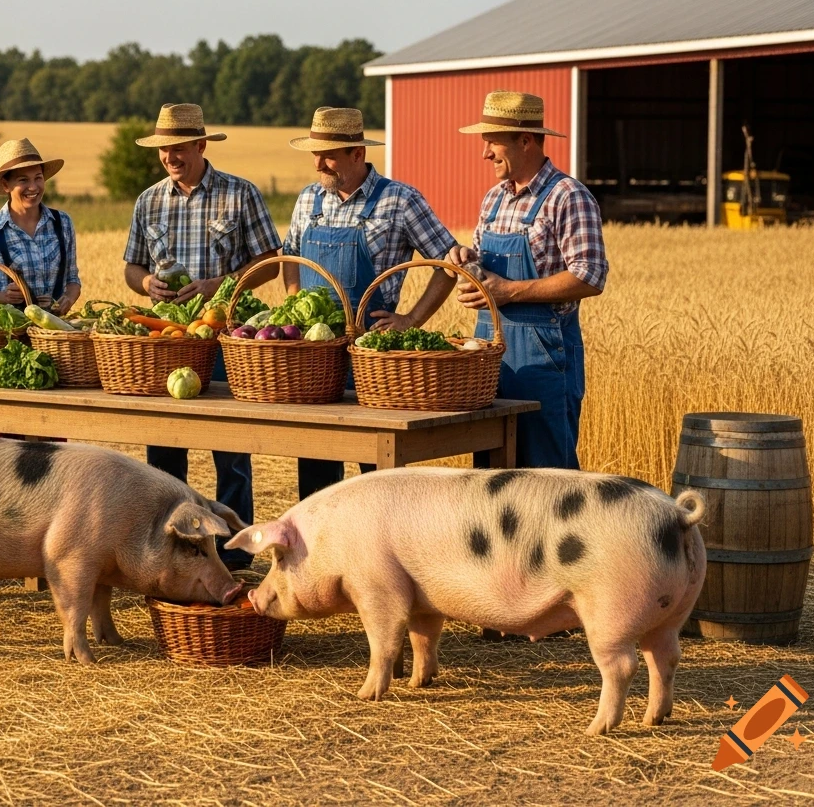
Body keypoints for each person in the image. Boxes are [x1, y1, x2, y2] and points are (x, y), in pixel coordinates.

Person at [123, 103, 281, 569]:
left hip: (225, 340)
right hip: (167, 342)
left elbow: (269, 259)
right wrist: (144, 283)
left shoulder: (239, 194)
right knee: (164, 451)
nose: (170, 156)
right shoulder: (148, 200)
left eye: (178, 147)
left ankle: (235, 556)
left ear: (201, 145)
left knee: (230, 450)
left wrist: (220, 286)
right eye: (163, 149)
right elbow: (132, 266)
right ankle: (173, 552)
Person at [284, 106, 458, 499]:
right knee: (315, 469)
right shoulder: (309, 199)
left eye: (327, 154)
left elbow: (448, 263)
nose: (317, 163)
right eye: (315, 153)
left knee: (377, 473)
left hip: (373, 360)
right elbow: (289, 255)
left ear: (357, 154)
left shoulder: (399, 200)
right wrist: (294, 303)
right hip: (314, 360)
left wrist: (411, 319)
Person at [451, 91, 608, 469]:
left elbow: (590, 275)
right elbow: (483, 268)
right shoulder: (493, 199)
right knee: (491, 475)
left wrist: (509, 291)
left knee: (548, 478)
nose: (485, 153)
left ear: (526, 140)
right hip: (488, 355)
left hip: (544, 356)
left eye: (493, 142)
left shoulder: (568, 196)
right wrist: (464, 265)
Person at [0, 138, 80, 314]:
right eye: (23, 180)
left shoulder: (62, 222)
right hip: (8, 333)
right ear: (5, 185)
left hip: (53, 335)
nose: (33, 187)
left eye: (38, 178)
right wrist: (3, 297)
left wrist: (68, 299)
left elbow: (72, 280)